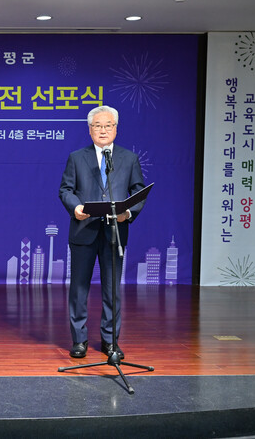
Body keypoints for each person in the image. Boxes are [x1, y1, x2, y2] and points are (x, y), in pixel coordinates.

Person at [59, 105, 145, 359]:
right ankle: (79, 340)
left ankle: (110, 341)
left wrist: (127, 213)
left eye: (108, 125)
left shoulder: (129, 158)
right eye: (98, 126)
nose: (103, 130)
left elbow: (138, 192)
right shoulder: (77, 157)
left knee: (112, 290)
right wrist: (76, 208)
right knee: (79, 289)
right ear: (90, 130)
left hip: (114, 233)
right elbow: (66, 190)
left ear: (116, 128)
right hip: (84, 230)